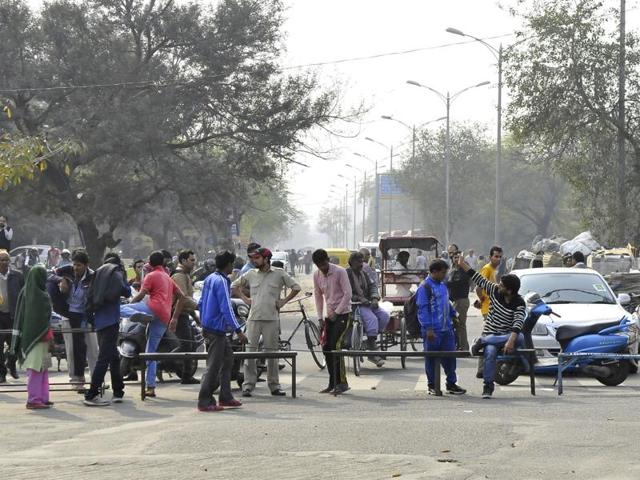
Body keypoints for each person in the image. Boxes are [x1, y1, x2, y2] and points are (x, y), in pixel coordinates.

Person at [232, 247, 301, 397]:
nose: (254, 260)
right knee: (250, 353)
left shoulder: (279, 273)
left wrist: (284, 301)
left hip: (271, 319)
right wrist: (245, 299)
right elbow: (234, 286)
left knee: (272, 355)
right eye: (253, 258)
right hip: (253, 319)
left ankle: (274, 386)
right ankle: (248, 386)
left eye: (257, 258)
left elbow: (296, 287)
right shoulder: (250, 274)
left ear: (265, 259)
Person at [456, 255, 526, 399]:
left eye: (502, 285)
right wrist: (463, 264)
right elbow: (478, 278)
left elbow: (518, 324)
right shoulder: (495, 290)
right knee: (490, 353)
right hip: (491, 334)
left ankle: (481, 341)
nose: (498, 285)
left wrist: (510, 341)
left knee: (520, 337)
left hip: (507, 336)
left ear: (510, 291)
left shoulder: (519, 302)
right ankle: (488, 386)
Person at [123, 250, 186, 398]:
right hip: (164, 316)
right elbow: (182, 297)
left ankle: (138, 316)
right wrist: (175, 318)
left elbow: (140, 295)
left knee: (119, 309)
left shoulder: (151, 275)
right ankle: (150, 387)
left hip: (151, 309)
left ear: (150, 263)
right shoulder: (168, 277)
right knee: (150, 351)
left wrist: (131, 306)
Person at [197, 251, 248, 412]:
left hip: (209, 327)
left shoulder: (209, 278)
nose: (233, 267)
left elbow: (200, 302)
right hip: (216, 330)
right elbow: (226, 308)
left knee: (228, 359)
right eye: (232, 264)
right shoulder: (221, 281)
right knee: (213, 366)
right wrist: (238, 330)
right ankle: (204, 400)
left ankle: (226, 396)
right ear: (228, 264)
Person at [83, 253, 131, 406]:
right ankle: (92, 394)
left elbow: (89, 296)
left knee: (113, 356)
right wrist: (123, 275)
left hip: (99, 320)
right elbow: (127, 291)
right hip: (111, 321)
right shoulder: (116, 272)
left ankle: (118, 391)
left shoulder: (98, 273)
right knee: (104, 358)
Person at [417, 259, 466, 396]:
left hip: (447, 329)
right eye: (443, 272)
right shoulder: (425, 287)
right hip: (433, 330)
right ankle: (432, 385)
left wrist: (454, 315)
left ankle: (451, 383)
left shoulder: (443, 286)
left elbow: (447, 303)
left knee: (450, 357)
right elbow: (422, 309)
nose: (445, 275)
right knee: (432, 358)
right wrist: (429, 329)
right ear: (434, 272)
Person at [10, 265, 53, 409]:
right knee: (36, 369)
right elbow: (28, 316)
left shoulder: (31, 292)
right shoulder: (35, 294)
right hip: (35, 339)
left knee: (43, 368)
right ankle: (34, 399)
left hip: (42, 338)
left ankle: (43, 397)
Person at [313, 248, 352, 395]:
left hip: (343, 314)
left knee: (336, 346)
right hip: (329, 315)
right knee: (326, 347)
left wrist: (337, 312)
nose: (322, 268)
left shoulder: (340, 272)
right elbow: (318, 296)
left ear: (327, 260)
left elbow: (348, 294)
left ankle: (342, 382)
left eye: (323, 264)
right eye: (319, 266)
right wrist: (319, 317)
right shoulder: (317, 275)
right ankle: (332, 382)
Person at [57, 250, 95, 391]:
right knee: (72, 350)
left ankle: (96, 379)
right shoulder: (66, 271)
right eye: (74, 265)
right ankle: (76, 379)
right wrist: (62, 280)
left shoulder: (93, 276)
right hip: (69, 315)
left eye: (78, 265)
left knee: (92, 349)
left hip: (86, 316)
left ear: (86, 265)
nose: (75, 268)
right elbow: (52, 275)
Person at [346, 252, 389, 367]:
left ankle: (371, 338)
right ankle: (372, 345)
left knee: (384, 316)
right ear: (352, 262)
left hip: (368, 303)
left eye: (361, 261)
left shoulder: (364, 273)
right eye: (358, 262)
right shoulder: (346, 274)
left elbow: (373, 286)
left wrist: (375, 298)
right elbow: (346, 292)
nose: (361, 264)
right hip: (355, 305)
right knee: (372, 319)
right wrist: (360, 298)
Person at [171, 249, 201, 385]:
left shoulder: (185, 275)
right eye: (192, 260)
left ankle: (186, 375)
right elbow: (182, 300)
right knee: (186, 344)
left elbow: (186, 300)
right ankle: (161, 361)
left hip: (184, 314)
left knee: (191, 344)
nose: (194, 263)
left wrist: (196, 318)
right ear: (183, 261)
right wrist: (200, 306)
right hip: (178, 314)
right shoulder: (179, 276)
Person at [474, 246, 503, 378]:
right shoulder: (487, 269)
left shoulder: (493, 270)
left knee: (488, 337)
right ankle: (481, 369)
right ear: (490, 256)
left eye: (499, 256)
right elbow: (478, 287)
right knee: (487, 338)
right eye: (495, 256)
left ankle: (483, 368)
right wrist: (481, 300)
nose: (498, 258)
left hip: (492, 308)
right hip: (488, 309)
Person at [0, 250, 24, 382]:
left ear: (10, 261)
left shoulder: (17, 276)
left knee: (14, 344)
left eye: (6, 260)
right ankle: (2, 373)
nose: (4, 262)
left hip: (14, 315)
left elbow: (24, 294)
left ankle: (11, 364)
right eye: (1, 260)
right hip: (0, 315)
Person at [447, 250, 470, 351]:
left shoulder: (463, 269)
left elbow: (454, 282)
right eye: (454, 257)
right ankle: (459, 345)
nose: (456, 259)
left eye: (458, 257)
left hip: (461, 300)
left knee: (460, 325)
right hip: (455, 300)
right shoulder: (453, 269)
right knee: (456, 324)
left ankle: (464, 347)